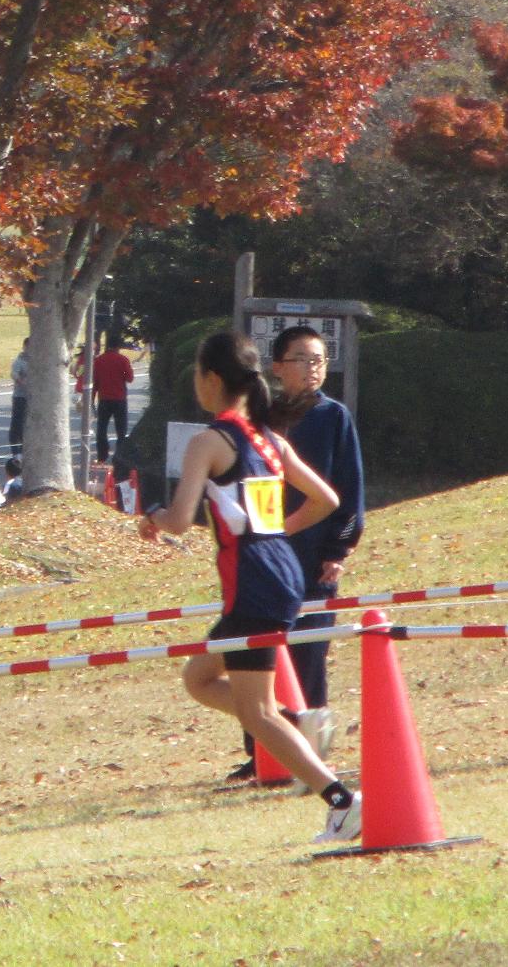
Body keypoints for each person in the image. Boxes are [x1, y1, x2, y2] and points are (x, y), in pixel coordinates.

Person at [136, 328, 361, 845]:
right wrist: (277, 533)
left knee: (255, 711)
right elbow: (326, 499)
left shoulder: (208, 442)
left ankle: (342, 802)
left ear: (211, 379)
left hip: (253, 583)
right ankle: (296, 724)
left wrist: (150, 516)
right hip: (283, 574)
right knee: (199, 678)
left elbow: (178, 520)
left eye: (197, 374)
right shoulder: (270, 439)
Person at [226, 325, 364, 782]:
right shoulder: (261, 421)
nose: (313, 368)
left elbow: (347, 492)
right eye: (303, 359)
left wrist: (338, 549)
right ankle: (263, 753)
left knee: (308, 652)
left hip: (312, 556)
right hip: (262, 557)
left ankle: (313, 749)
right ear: (277, 366)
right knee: (256, 654)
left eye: (320, 360)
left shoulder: (334, 417)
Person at [92, 333, 135, 466]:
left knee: (101, 429)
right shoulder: (122, 360)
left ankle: (102, 456)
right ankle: (120, 457)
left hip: (104, 399)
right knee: (121, 430)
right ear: (118, 346)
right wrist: (120, 373)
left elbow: (95, 381)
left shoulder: (99, 361)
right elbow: (129, 378)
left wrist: (92, 399)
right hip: (119, 398)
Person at [8, 338, 30, 452]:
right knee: (18, 424)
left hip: (32, 398)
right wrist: (22, 381)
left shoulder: (37, 360)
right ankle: (15, 450)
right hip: (20, 396)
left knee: (29, 424)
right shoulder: (19, 361)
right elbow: (14, 374)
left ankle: (25, 447)